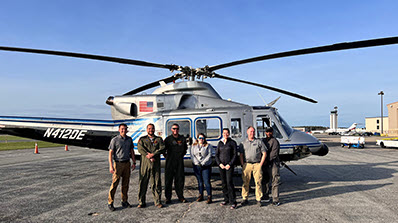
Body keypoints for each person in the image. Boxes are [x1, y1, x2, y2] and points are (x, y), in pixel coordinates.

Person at [107, 123, 136, 211]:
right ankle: (110, 202)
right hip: (118, 163)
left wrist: (134, 162)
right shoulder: (114, 140)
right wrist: (111, 166)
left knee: (125, 184)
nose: (124, 130)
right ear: (119, 130)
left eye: (125, 129)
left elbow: (132, 151)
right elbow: (110, 153)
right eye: (122, 129)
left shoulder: (129, 139)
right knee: (115, 183)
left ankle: (124, 201)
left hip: (127, 163)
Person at [137, 123, 165, 208]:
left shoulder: (159, 139)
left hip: (155, 163)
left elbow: (162, 148)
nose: (151, 130)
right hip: (145, 164)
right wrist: (147, 155)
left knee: (156, 182)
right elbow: (140, 148)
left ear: (154, 129)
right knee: (143, 182)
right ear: (147, 129)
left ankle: (157, 201)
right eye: (149, 128)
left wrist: (153, 154)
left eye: (152, 128)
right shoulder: (142, 139)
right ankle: (141, 202)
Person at [239, 126, 267, 207]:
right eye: (251, 131)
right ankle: (245, 198)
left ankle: (258, 199)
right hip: (247, 164)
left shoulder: (259, 142)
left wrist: (260, 164)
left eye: (253, 131)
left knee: (258, 182)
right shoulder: (243, 143)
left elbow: (264, 153)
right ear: (247, 132)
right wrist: (242, 164)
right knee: (245, 182)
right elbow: (240, 154)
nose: (252, 133)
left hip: (256, 164)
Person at [164, 123, 188, 204]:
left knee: (180, 180)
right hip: (170, 162)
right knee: (168, 181)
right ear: (171, 129)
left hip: (179, 162)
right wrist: (167, 157)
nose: (175, 130)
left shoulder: (182, 138)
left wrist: (180, 155)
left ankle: (180, 196)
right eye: (174, 128)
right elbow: (163, 150)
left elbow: (185, 149)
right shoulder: (168, 139)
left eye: (177, 128)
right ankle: (168, 198)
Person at [216, 128, 238, 209]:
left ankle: (233, 201)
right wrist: (219, 164)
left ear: (229, 134)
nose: (225, 134)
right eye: (224, 133)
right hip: (222, 166)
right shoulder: (220, 143)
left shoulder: (232, 143)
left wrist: (230, 164)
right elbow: (216, 155)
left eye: (227, 133)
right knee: (224, 183)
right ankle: (226, 199)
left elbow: (235, 155)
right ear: (222, 134)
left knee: (229, 183)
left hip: (229, 166)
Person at [190, 133, 213, 204]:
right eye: (200, 138)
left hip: (205, 166)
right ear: (197, 138)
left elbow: (209, 155)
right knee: (199, 182)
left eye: (202, 138)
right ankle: (200, 195)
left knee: (207, 182)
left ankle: (209, 196)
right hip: (197, 166)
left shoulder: (208, 146)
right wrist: (196, 163)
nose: (201, 139)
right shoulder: (193, 146)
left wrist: (203, 162)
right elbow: (192, 155)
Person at [262, 127, 281, 206]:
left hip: (273, 164)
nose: (268, 133)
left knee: (275, 181)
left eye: (270, 132)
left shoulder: (275, 141)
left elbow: (274, 154)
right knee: (265, 180)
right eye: (267, 132)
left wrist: (265, 160)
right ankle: (265, 196)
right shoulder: (263, 140)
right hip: (265, 164)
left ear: (272, 132)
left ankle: (275, 199)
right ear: (265, 132)